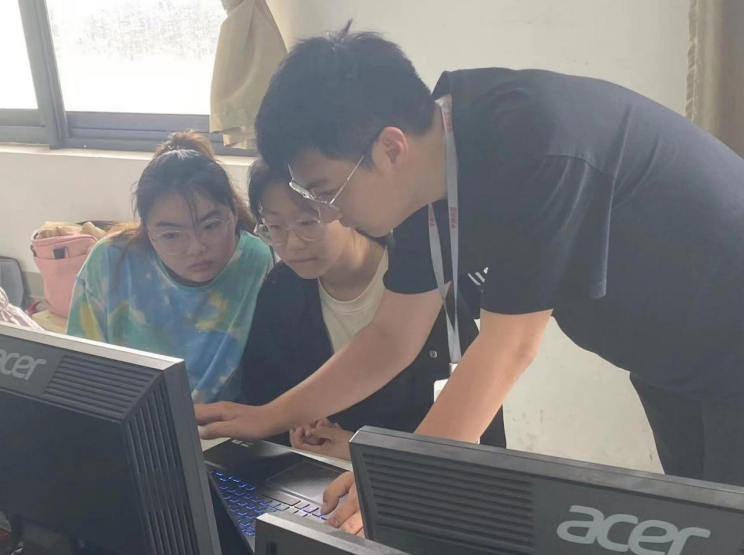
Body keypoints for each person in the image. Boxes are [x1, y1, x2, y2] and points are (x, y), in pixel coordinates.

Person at [195, 24, 744, 535]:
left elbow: (508, 347)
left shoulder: (536, 144)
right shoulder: (429, 174)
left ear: (390, 148)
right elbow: (391, 338)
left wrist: (398, 476)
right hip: (668, 361)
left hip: (729, 348)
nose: (330, 213)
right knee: (699, 528)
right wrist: (267, 417)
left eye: (325, 191)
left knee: (724, 531)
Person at [241, 159, 505, 459]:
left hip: (410, 477)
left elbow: (476, 435)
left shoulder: (422, 281)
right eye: (275, 227)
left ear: (340, 205)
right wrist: (298, 427)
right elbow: (266, 397)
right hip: (314, 476)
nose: (292, 244)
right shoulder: (282, 290)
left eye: (306, 223)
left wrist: (363, 449)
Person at [67, 132, 272, 403]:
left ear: (233, 214)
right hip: (127, 416)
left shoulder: (257, 261)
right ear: (148, 231)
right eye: (172, 235)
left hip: (223, 423)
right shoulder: (110, 261)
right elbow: (79, 372)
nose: (196, 247)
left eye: (211, 226)